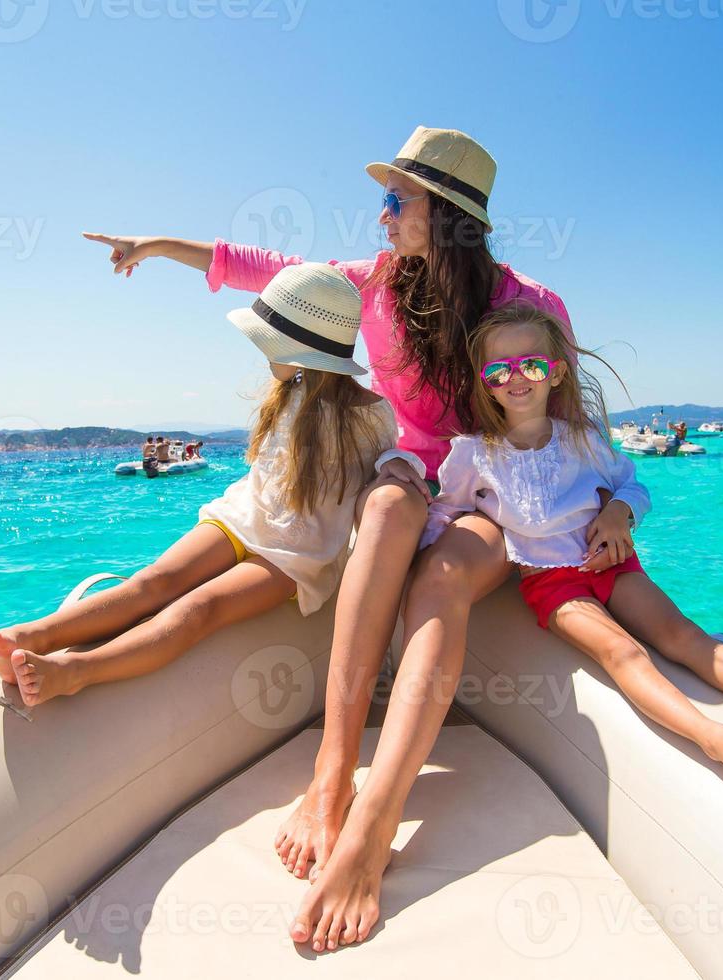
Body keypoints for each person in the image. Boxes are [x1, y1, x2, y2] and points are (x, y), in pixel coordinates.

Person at [84, 126, 603, 952]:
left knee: (437, 583)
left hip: (492, 492)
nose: (383, 213)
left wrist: (609, 515)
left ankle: (373, 825)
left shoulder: (529, 306)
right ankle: (332, 775)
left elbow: (568, 430)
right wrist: (157, 245)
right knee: (390, 509)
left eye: (399, 199)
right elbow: (266, 269)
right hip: (410, 478)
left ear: (450, 216)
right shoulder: (374, 286)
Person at [426, 303, 723, 784]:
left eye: (531, 365)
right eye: (498, 370)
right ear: (483, 381)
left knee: (683, 636)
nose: (516, 378)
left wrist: (618, 513)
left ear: (556, 374)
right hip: (551, 585)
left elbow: (633, 486)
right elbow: (446, 508)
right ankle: (711, 736)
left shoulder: (584, 440)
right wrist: (418, 558)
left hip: (614, 563)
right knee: (623, 653)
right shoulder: (473, 454)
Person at [0, 263, 422, 714]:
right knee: (153, 581)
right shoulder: (288, 393)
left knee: (200, 608)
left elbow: (385, 463)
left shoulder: (370, 414)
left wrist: (397, 461)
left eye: (271, 345)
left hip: (296, 554)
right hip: (245, 515)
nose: (265, 355)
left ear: (301, 347)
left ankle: (76, 671)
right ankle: (31, 636)